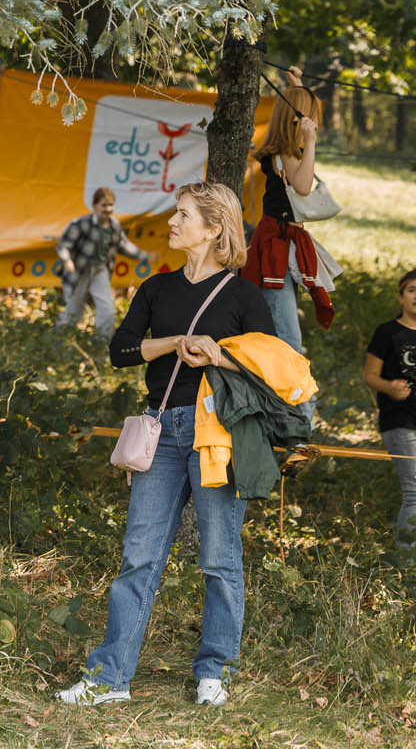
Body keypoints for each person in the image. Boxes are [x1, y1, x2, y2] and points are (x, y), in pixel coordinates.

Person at [58, 182, 275, 708]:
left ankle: (214, 672)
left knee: (219, 558)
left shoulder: (244, 296)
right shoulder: (157, 288)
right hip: (161, 431)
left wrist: (218, 355)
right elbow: (121, 350)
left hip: (216, 434)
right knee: (139, 556)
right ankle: (110, 679)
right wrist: (175, 343)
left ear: (214, 228)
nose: (172, 223)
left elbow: (272, 369)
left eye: (183, 215)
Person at [244, 70, 336, 355]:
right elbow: (303, 186)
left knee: (282, 323)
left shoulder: (288, 151)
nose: (315, 123)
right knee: (288, 337)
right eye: (311, 116)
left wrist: (296, 86)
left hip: (285, 242)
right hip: (277, 246)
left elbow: (295, 104)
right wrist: (311, 143)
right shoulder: (286, 153)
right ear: (297, 119)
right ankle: (287, 384)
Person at [55, 187, 155, 340]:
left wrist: (145, 256)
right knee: (74, 310)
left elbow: (124, 246)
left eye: (111, 205)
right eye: (104, 205)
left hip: (100, 270)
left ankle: (100, 344)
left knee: (107, 309)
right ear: (95, 206)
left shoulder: (114, 225)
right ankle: (60, 341)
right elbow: (64, 245)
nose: (108, 209)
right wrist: (67, 260)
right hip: (79, 270)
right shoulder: (83, 223)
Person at [364, 268, 416, 550]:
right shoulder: (387, 332)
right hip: (399, 420)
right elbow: (370, 375)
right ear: (400, 297)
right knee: (414, 491)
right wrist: (389, 387)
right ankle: (407, 563)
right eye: (412, 290)